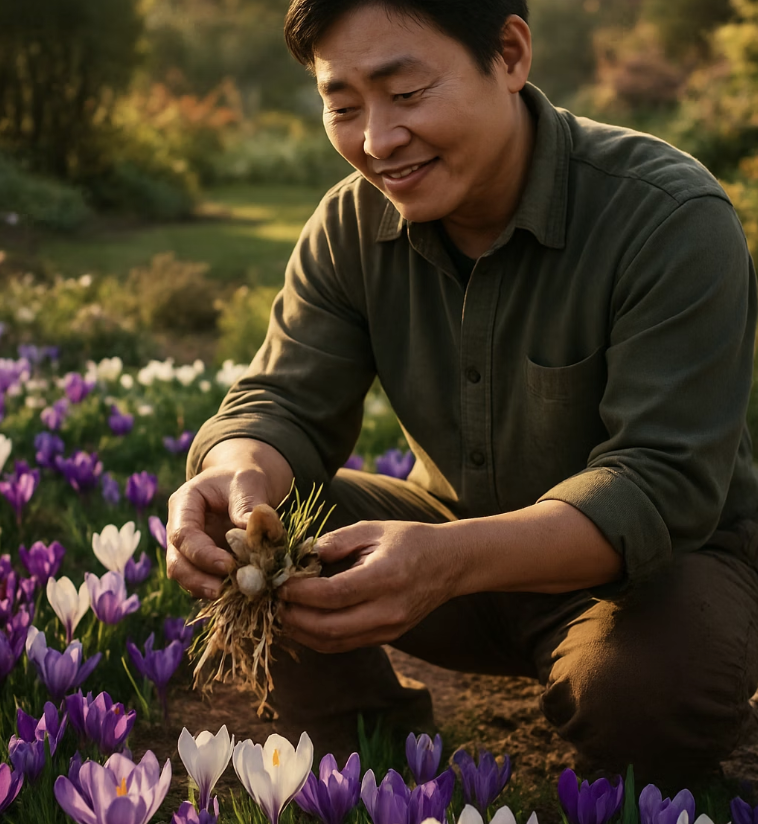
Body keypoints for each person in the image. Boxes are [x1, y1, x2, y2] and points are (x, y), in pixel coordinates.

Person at [167, 0, 758, 780]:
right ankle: (368, 748)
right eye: (342, 106)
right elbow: (281, 403)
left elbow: (661, 484)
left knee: (643, 695)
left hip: (658, 573)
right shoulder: (351, 226)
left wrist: (449, 560)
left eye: (406, 94)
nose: (375, 141)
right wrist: (236, 474)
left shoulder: (667, 216)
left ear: (511, 55)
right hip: (448, 541)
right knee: (251, 540)